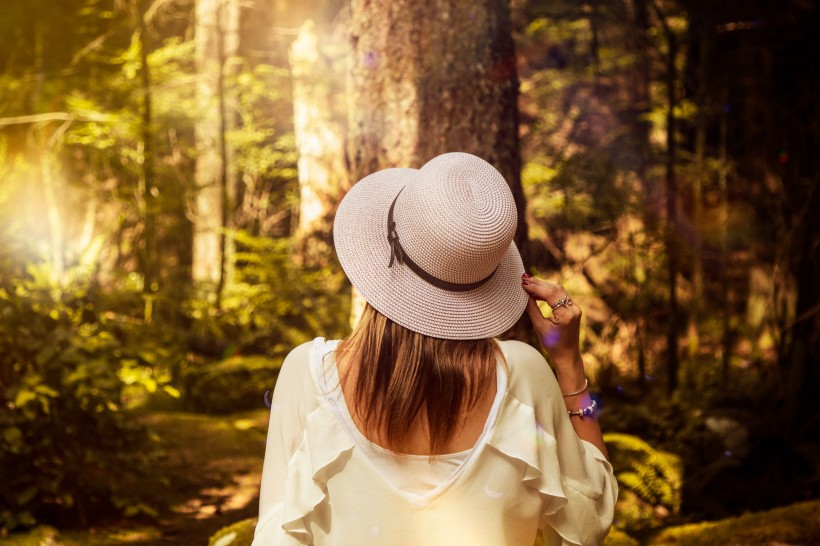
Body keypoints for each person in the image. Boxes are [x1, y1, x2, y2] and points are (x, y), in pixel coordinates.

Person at [252, 152, 618, 546]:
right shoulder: (523, 374)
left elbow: (276, 535)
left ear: (379, 254)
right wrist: (568, 365)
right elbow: (592, 515)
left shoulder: (307, 375)